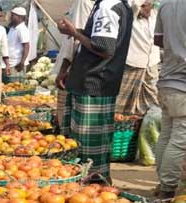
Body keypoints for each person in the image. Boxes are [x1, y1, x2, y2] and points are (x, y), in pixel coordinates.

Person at [57, 0, 133, 180]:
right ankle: (93, 189)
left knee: (87, 150)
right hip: (95, 81)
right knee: (88, 146)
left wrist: (74, 33)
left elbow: (104, 47)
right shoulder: (116, 5)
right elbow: (101, 40)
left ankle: (92, 189)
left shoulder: (108, 6)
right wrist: (77, 32)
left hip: (93, 82)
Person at [153, 0, 186, 198]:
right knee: (180, 140)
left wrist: (175, 43)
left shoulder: (165, 4)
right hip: (182, 84)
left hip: (167, 79)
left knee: (166, 135)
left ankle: (163, 183)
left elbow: (158, 39)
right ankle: (168, 189)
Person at [54, 0, 95, 131]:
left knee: (67, 114)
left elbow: (74, 40)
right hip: (83, 66)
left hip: (74, 67)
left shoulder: (83, 3)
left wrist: (63, 70)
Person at [115, 0, 160, 116]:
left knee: (152, 105)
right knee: (121, 105)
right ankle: (120, 129)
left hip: (151, 66)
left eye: (150, 6)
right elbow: (134, 5)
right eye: (145, 6)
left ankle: (142, 128)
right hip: (132, 65)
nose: (148, 10)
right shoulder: (131, 14)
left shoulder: (155, 15)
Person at [5, 6, 30, 84]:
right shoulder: (13, 28)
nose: (11, 17)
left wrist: (22, 62)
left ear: (19, 17)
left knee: (15, 87)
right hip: (11, 62)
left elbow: (26, 46)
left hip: (17, 64)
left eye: (13, 15)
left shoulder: (22, 29)